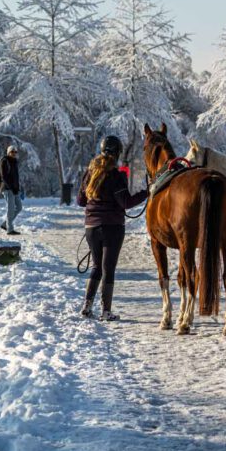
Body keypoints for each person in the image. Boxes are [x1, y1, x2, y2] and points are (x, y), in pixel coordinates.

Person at [76, 135, 148, 321]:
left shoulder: (89, 173)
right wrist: (147, 193)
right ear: (117, 153)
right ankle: (106, 311)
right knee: (109, 268)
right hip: (112, 228)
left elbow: (80, 200)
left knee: (96, 267)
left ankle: (87, 306)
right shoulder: (117, 176)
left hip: (91, 227)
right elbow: (126, 202)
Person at [0, 145, 22, 235]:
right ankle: (10, 229)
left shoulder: (14, 162)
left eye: (15, 152)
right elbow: (4, 177)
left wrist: (18, 188)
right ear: (8, 152)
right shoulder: (4, 161)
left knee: (19, 207)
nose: (14, 153)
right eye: (12, 152)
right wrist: (11, 187)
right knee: (10, 209)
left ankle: (5, 224)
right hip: (7, 188)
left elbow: (15, 177)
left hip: (15, 189)